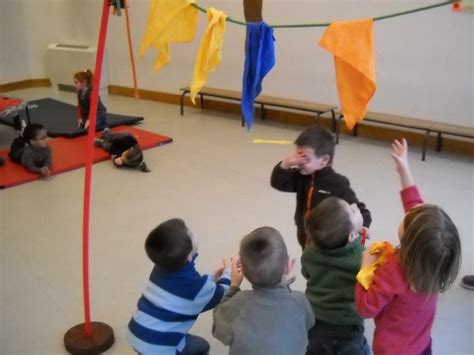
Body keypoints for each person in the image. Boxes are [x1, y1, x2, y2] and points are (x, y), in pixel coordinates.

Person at [355, 139, 461, 355]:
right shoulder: (434, 262)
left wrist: (364, 267)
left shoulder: (393, 270)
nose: (408, 211)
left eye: (409, 217)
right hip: (421, 346)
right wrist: (404, 169)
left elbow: (365, 307)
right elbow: (415, 208)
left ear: (409, 238)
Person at [128, 218, 232, 355]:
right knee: (202, 347)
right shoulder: (195, 288)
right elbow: (221, 294)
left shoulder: (160, 268)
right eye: (192, 235)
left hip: (137, 331)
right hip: (160, 345)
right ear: (188, 257)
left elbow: (191, 291)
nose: (194, 235)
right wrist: (229, 273)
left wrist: (211, 278)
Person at [212, 227, 314, 355]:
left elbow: (217, 327)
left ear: (243, 270)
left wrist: (233, 287)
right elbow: (307, 324)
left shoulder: (239, 302)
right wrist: (285, 287)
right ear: (288, 267)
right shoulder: (300, 301)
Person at [270, 125, 371, 249]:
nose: (298, 162)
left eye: (304, 158)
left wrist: (362, 226)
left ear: (323, 160)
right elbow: (278, 182)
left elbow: (360, 209)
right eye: (297, 156)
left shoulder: (337, 183)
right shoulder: (302, 176)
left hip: (326, 242)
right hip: (305, 236)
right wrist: (286, 163)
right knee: (308, 263)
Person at [302, 197, 370, 355]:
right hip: (349, 325)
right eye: (352, 210)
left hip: (314, 320)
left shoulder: (309, 253)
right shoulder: (362, 258)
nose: (355, 206)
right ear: (351, 237)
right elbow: (369, 285)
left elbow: (307, 273)